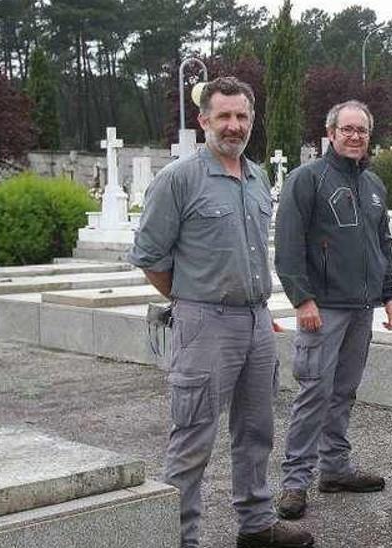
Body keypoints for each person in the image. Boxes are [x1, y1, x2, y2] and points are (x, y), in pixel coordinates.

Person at [128, 76, 313, 548]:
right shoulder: (179, 179)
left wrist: (254, 307)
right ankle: (179, 539)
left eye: (242, 116)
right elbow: (150, 256)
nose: (234, 125)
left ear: (251, 120)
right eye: (224, 116)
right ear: (204, 119)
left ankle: (255, 525)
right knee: (192, 439)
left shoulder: (256, 179)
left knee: (256, 432)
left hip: (255, 321)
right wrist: (191, 300)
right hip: (204, 322)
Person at [272, 100, 392, 520]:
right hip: (322, 308)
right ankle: (295, 482)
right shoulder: (307, 180)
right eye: (346, 129)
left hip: (361, 307)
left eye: (361, 131)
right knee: (314, 391)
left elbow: (382, 245)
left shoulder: (374, 186)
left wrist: (390, 294)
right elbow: (288, 245)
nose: (354, 137)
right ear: (330, 134)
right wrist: (302, 298)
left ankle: (335, 468)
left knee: (344, 392)